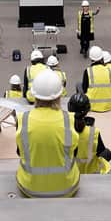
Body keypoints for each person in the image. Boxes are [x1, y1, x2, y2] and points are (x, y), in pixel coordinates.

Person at [16, 70, 80, 198]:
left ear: (34, 95)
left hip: (30, 187)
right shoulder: (69, 120)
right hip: (66, 187)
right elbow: (74, 152)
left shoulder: (23, 119)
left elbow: (19, 152)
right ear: (59, 95)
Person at [67, 93, 111, 174]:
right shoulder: (93, 132)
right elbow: (101, 152)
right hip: (88, 171)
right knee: (107, 153)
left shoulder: (61, 127)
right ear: (87, 110)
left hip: (67, 171)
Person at [82, 46, 111, 112]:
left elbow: (84, 89)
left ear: (91, 58)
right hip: (109, 105)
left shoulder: (88, 71)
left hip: (92, 105)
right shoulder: (108, 70)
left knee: (79, 85)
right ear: (102, 58)